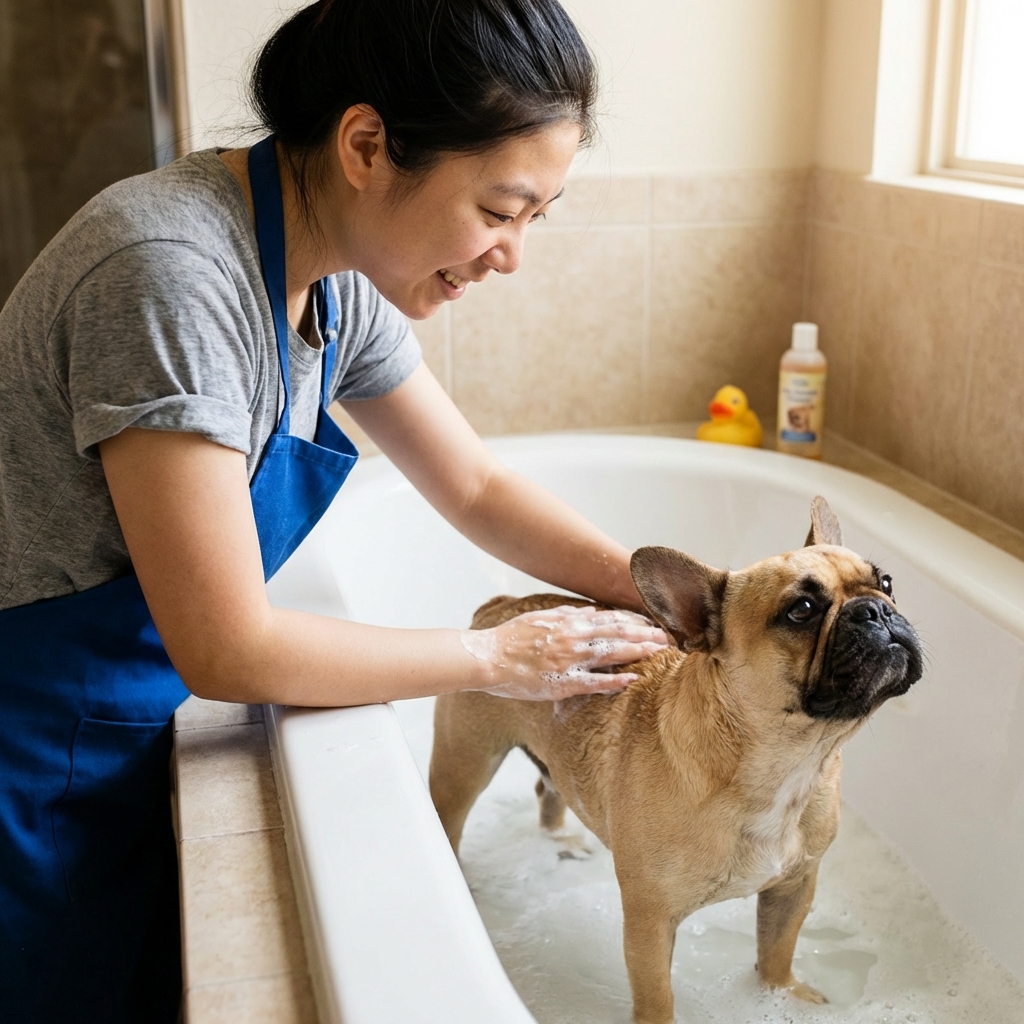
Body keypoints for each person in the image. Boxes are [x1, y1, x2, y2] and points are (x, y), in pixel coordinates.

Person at [0, 0, 671, 1019]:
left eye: (536, 217)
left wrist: (674, 594)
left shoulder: (334, 279)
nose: (511, 257)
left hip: (118, 714)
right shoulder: (169, 275)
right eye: (498, 211)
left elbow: (476, 489)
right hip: (28, 742)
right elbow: (225, 649)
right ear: (365, 144)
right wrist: (499, 658)